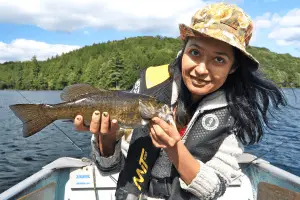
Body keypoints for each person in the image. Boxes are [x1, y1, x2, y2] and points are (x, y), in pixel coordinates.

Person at [74, 2, 287, 200]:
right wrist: (107, 140)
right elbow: (108, 167)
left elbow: (213, 189)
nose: (201, 69)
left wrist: (174, 148)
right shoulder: (150, 86)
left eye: (219, 59)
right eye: (195, 52)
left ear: (233, 67)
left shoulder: (236, 112)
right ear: (183, 51)